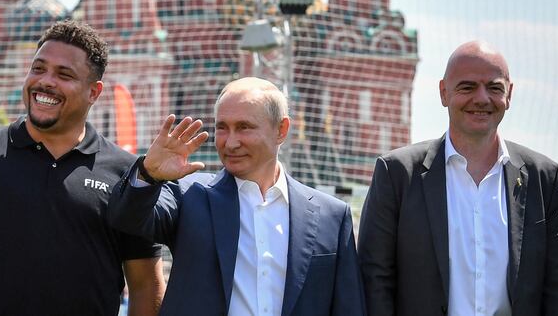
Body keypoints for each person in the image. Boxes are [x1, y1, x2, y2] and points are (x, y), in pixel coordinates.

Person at [0, 21, 165, 316]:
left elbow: (146, 286)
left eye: (64, 74)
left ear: (94, 92)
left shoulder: (127, 175)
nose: (45, 81)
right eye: (38, 69)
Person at [108, 77, 366, 316]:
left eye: (244, 127)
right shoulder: (188, 195)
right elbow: (128, 219)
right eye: (222, 128)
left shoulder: (331, 215)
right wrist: (148, 175)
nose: (230, 143)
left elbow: (348, 306)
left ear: (281, 130)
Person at [358, 40, 558, 316]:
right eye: (467, 87)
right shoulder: (397, 174)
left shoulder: (544, 178)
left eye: (494, 87)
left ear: (509, 94)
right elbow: (374, 281)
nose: (481, 98)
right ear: (444, 93)